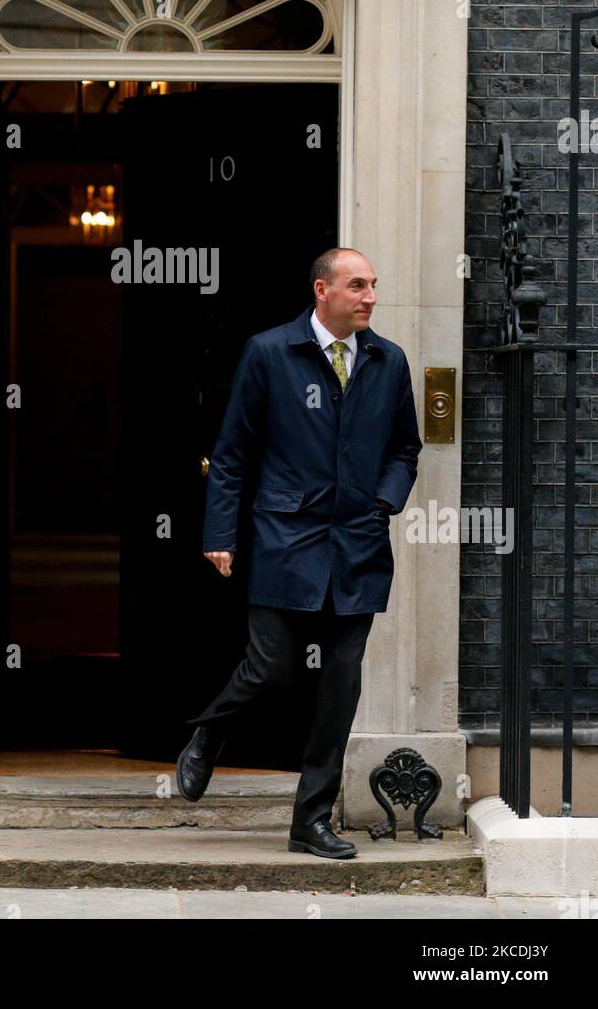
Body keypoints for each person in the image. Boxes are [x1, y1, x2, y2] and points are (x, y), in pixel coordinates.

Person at [176, 248, 422, 858]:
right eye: (358, 286)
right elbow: (231, 451)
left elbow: (405, 448)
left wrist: (384, 502)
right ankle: (208, 736)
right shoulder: (269, 353)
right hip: (286, 537)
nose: (370, 297)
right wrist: (219, 534)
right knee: (270, 668)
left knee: (340, 685)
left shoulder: (389, 362)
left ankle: (309, 821)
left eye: (374, 286)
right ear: (322, 290)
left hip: (358, 542)